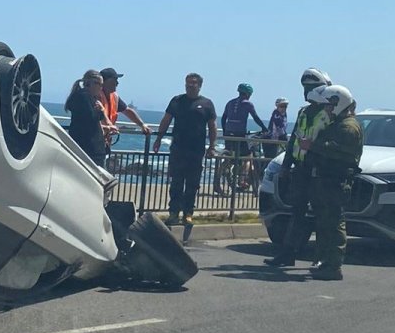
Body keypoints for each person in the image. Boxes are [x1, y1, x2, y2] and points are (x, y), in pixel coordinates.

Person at [264, 68, 332, 267]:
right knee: (297, 213)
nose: (305, 91)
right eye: (304, 87)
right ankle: (288, 254)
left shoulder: (329, 113)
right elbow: (294, 139)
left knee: (322, 216)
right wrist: (286, 166)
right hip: (301, 169)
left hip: (320, 170)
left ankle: (322, 257)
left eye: (310, 87)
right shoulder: (303, 112)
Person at [301, 85, 363, 280]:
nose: (326, 109)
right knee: (325, 222)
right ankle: (326, 262)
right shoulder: (338, 123)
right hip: (327, 179)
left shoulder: (348, 127)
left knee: (335, 222)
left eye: (329, 105)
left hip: (336, 180)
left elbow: (341, 152)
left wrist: (313, 145)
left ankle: (334, 265)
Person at [152, 73, 217, 226]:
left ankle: (188, 213)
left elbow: (212, 126)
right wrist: (158, 138)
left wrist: (212, 146)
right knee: (176, 182)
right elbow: (166, 119)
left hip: (196, 150)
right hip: (178, 148)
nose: (190, 86)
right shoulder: (177, 101)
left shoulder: (207, 104)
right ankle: (173, 213)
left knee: (192, 184)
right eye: (188, 83)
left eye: (193, 83)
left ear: (200, 85)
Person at [65, 70, 117, 166]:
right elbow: (91, 119)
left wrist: (101, 113)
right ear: (91, 83)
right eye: (100, 85)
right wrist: (101, 112)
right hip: (89, 148)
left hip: (86, 147)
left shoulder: (85, 97)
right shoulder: (84, 97)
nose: (101, 88)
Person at [98, 67, 152, 162]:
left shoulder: (114, 96)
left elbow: (127, 110)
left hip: (105, 140)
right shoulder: (95, 95)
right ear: (106, 81)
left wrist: (142, 125)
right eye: (115, 80)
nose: (117, 83)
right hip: (95, 139)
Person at [221, 83, 268, 190]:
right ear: (248, 94)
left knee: (229, 155)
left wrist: (225, 132)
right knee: (248, 157)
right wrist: (264, 128)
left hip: (228, 133)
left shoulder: (230, 102)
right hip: (240, 134)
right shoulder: (248, 104)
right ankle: (242, 180)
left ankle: (223, 169)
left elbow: (223, 118)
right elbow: (255, 117)